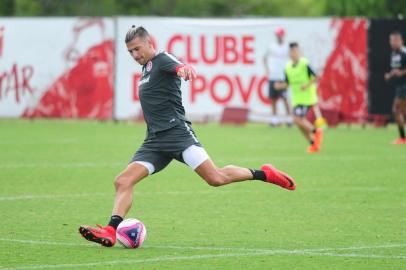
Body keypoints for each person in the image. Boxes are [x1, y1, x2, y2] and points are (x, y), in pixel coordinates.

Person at [78, 26, 297, 247]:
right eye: (130, 52)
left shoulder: (162, 59)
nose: (135, 55)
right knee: (123, 180)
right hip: (154, 142)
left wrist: (184, 69)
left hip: (177, 134)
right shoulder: (146, 70)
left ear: (149, 42)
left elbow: (178, 65)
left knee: (216, 178)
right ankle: (110, 230)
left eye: (137, 49)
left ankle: (265, 174)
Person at [274, 42, 323, 153]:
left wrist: (307, 85)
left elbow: (317, 77)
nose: (293, 53)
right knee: (299, 123)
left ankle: (316, 132)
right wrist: (279, 86)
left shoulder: (304, 63)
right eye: (291, 51)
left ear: (299, 51)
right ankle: (313, 144)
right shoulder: (288, 67)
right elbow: (287, 83)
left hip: (307, 98)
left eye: (295, 51)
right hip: (297, 99)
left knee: (297, 119)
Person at [263, 27, 292, 126]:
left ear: (283, 35)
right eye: (277, 35)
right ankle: (274, 120)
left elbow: (293, 59)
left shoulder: (287, 47)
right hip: (273, 76)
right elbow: (264, 58)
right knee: (273, 99)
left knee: (285, 98)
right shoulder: (271, 46)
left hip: (283, 76)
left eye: (280, 35)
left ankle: (289, 119)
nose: (278, 37)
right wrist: (267, 70)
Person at [384, 31, 406, 144]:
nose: (392, 43)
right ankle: (402, 137)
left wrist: (402, 73)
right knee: (402, 111)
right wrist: (390, 74)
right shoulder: (394, 53)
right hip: (399, 86)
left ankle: (402, 138)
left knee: (396, 110)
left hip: (404, 86)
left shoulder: (404, 52)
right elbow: (396, 69)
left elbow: (401, 71)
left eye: (395, 40)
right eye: (391, 40)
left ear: (401, 41)